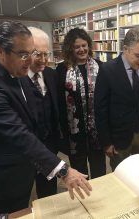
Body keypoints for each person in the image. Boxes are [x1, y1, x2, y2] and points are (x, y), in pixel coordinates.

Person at [0, 21, 91, 218]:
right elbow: (19, 133)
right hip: (3, 176)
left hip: (25, 168)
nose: (31, 60)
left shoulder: (18, 73)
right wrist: (63, 170)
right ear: (0, 51)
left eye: (32, 52)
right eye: (23, 54)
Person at [94, 26, 139, 170]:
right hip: (119, 136)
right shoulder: (108, 70)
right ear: (125, 49)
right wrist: (106, 142)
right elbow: (100, 109)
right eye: (138, 55)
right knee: (121, 175)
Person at [56, 28, 106, 179]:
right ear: (70, 48)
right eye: (77, 46)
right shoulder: (62, 70)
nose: (81, 49)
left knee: (100, 172)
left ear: (89, 46)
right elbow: (59, 102)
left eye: (84, 45)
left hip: (97, 132)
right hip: (74, 134)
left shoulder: (101, 66)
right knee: (79, 173)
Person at [20, 26, 60, 198]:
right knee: (23, 193)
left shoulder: (51, 74)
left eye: (47, 54)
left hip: (50, 145)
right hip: (25, 151)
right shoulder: (17, 78)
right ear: (26, 52)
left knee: (49, 191)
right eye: (38, 54)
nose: (44, 60)